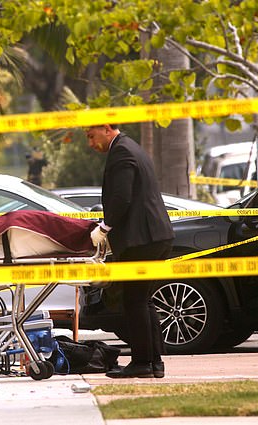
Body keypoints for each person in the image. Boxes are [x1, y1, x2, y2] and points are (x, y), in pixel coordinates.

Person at [85, 124, 175, 378]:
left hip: (142, 240)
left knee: (134, 301)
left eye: (91, 136)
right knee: (143, 301)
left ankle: (143, 363)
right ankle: (155, 363)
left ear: (106, 128)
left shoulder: (122, 152)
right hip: (155, 238)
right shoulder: (131, 147)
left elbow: (122, 197)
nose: (90, 143)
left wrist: (104, 228)